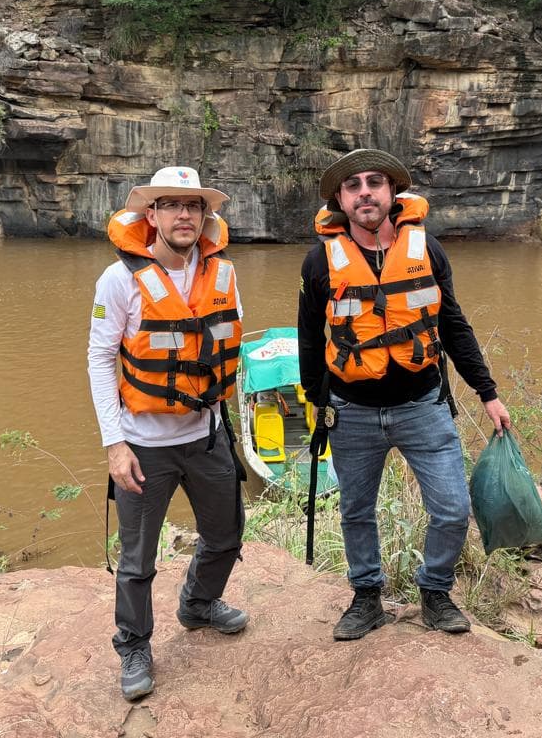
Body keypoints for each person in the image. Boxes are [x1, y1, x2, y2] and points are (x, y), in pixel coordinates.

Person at [297, 149, 511, 640]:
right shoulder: (319, 262)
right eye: (353, 186)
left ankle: (435, 592)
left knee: (453, 510)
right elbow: (309, 336)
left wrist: (487, 392)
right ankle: (366, 597)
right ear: (341, 200)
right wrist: (317, 402)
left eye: (375, 182)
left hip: (423, 406)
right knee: (355, 510)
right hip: (351, 411)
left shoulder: (427, 250)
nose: (365, 192)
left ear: (393, 194)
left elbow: (452, 323)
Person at [88, 166, 248, 702]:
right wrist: (115, 444)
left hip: (206, 435)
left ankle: (198, 605)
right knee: (136, 560)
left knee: (225, 534)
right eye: (171, 205)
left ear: (205, 217)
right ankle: (134, 643)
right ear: (150, 215)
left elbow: (229, 348)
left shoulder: (223, 274)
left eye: (194, 206)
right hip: (143, 446)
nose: (184, 215)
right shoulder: (119, 279)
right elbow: (99, 359)